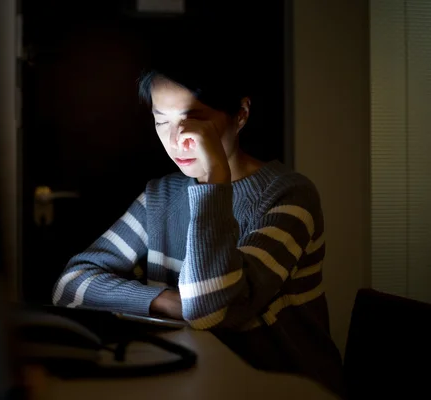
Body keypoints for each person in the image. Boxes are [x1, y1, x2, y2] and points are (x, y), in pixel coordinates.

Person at [51, 38, 346, 397]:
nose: (177, 140)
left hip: (288, 388)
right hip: (200, 381)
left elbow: (209, 311)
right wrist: (167, 301)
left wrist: (213, 182)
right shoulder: (160, 195)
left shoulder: (290, 196)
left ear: (240, 114)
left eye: (195, 121)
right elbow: (71, 287)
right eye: (162, 122)